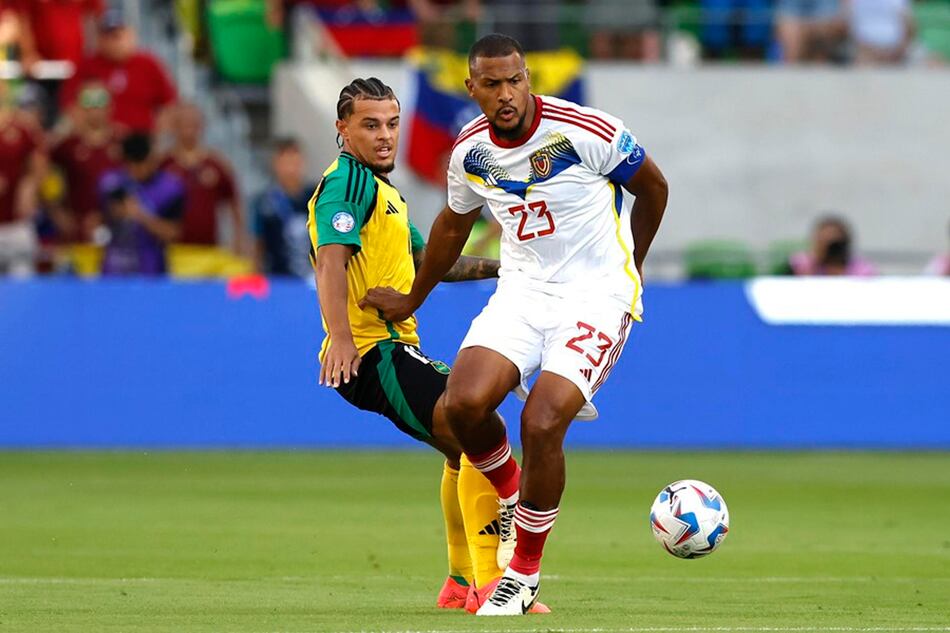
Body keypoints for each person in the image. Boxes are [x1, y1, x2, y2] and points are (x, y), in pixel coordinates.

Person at [363, 34, 668, 615]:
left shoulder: (587, 131)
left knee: (542, 419)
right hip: (523, 292)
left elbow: (654, 188)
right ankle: (510, 493)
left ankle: (523, 574)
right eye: (492, 84)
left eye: (515, 80)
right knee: (462, 405)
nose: (506, 95)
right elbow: (452, 227)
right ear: (471, 87)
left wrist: (633, 262)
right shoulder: (469, 152)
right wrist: (411, 300)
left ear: (528, 78)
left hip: (595, 296)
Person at [310, 77, 548, 613]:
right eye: (370, 125)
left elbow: (433, 264)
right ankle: (492, 583)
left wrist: (506, 264)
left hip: (392, 350)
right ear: (342, 130)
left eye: (392, 124)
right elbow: (331, 259)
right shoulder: (346, 182)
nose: (385, 136)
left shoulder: (385, 193)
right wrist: (342, 340)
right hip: (376, 352)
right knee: (477, 431)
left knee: (461, 444)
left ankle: (461, 582)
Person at [60, 9, 177, 133]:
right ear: (99, 39)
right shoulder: (87, 66)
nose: (113, 42)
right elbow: (70, 106)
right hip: (101, 141)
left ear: (131, 35)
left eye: (117, 36)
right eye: (107, 36)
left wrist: (156, 136)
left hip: (141, 138)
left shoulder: (148, 64)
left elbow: (169, 105)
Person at [162, 103, 247, 255]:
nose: (189, 130)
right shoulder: (164, 165)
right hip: (172, 252)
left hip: (208, 251)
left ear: (201, 126)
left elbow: (234, 201)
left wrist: (238, 239)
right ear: (175, 127)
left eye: (193, 124)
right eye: (184, 124)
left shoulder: (216, 164)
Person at [98, 133, 185, 275]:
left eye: (143, 163)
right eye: (132, 165)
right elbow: (98, 221)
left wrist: (141, 215)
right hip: (114, 270)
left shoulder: (170, 188)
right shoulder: (110, 183)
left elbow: (172, 233)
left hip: (152, 271)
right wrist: (113, 214)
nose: (137, 170)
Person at [50, 83, 122, 243]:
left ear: (110, 107)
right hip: (77, 230)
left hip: (117, 230)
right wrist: (56, 213)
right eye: (89, 105)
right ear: (79, 108)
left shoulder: (121, 142)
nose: (95, 111)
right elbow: (44, 175)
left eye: (100, 104)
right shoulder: (67, 145)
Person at [252, 138, 316, 278]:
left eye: (295, 162)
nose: (291, 169)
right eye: (286, 163)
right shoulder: (265, 201)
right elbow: (258, 243)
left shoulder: (317, 196)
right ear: (275, 164)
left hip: (312, 278)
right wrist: (256, 273)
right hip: (277, 278)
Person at [0, 85, 46, 276]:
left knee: (22, 286)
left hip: (16, 224)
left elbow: (40, 162)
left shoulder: (21, 128)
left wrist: (31, 185)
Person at [788, 215, 875, 276]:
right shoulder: (803, 263)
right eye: (824, 240)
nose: (832, 249)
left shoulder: (860, 269)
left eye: (835, 243)